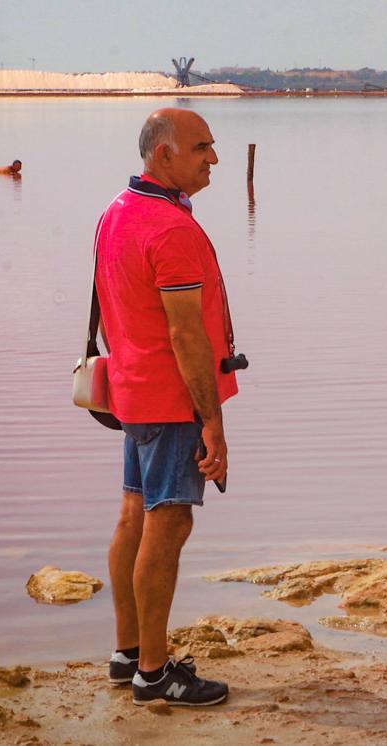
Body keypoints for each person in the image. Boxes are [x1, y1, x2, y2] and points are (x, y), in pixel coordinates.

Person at [96, 108, 239, 707]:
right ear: (164, 156)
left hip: (133, 390)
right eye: (202, 147)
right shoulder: (171, 228)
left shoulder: (115, 213)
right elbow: (187, 337)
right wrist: (213, 421)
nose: (213, 158)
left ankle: (129, 652)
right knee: (170, 520)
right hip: (170, 396)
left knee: (136, 515)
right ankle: (154, 673)